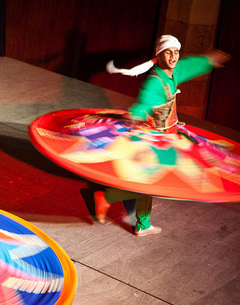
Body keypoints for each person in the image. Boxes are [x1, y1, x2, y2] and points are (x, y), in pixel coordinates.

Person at [97, 35, 230, 236]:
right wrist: (137, 113)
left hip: (170, 133)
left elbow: (188, 66)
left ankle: (139, 221)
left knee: (153, 180)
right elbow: (146, 101)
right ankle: (110, 198)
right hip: (154, 136)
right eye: (168, 52)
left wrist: (208, 60)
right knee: (150, 179)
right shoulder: (155, 81)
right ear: (159, 55)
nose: (173, 56)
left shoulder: (173, 72)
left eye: (176, 52)